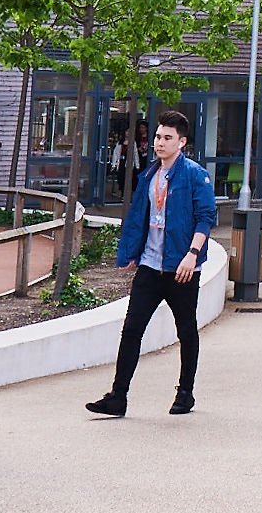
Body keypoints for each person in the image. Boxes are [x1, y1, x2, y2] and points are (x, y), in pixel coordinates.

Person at [84, 107, 214, 419]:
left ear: (181, 142)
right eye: (157, 136)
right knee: (131, 329)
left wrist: (192, 255)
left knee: (186, 330)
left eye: (167, 138)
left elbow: (206, 217)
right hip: (150, 266)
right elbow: (140, 218)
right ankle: (118, 396)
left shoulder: (195, 175)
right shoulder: (149, 174)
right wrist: (132, 253)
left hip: (182, 269)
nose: (160, 142)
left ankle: (185, 392)